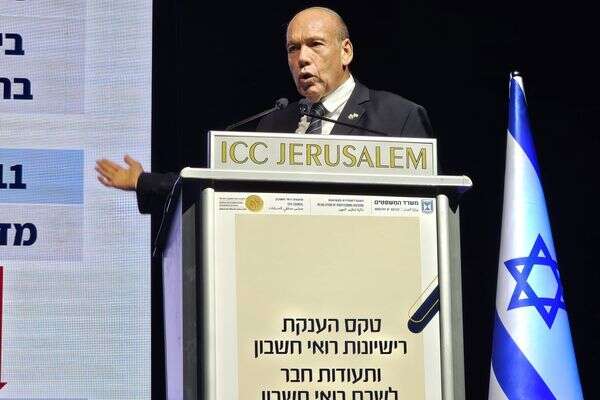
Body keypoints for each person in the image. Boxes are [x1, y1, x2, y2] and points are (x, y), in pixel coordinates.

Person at [96, 7, 433, 215]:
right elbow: (221, 189)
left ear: (346, 52)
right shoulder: (276, 122)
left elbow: (425, 212)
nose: (302, 58)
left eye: (315, 44)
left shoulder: (397, 117)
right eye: (293, 48)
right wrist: (144, 182)